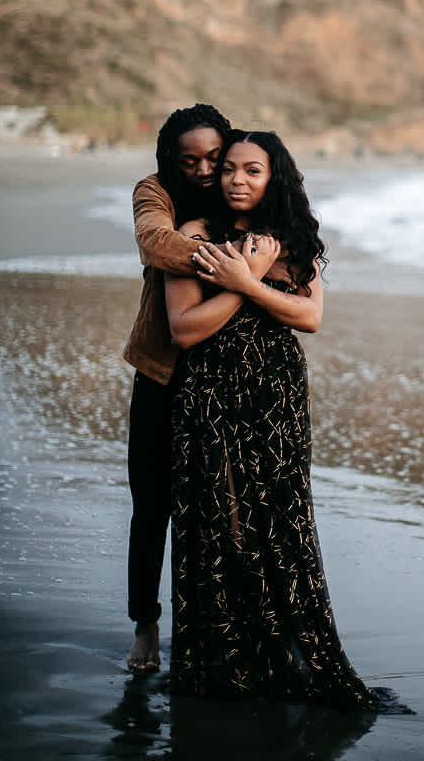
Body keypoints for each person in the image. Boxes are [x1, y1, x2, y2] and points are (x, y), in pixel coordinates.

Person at [164, 130, 399, 710]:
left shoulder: (295, 241)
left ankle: (286, 652)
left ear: (275, 179)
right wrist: (245, 284)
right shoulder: (194, 237)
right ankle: (224, 660)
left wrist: (247, 281)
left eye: (253, 170)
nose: (236, 180)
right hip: (209, 394)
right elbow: (185, 329)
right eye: (229, 169)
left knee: (281, 520)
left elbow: (311, 316)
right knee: (218, 521)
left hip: (277, 396)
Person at [123, 103, 232, 674]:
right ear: (172, 160)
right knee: (152, 504)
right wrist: (236, 265)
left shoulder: (242, 186)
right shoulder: (155, 191)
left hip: (226, 377)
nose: (206, 170)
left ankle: (217, 627)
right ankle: (146, 625)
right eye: (191, 161)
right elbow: (154, 243)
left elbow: (291, 245)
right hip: (161, 372)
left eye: (215, 157)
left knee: (221, 508)